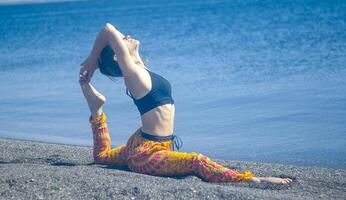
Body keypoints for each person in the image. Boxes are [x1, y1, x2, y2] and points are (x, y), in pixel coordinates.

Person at [79, 23, 293, 185]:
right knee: (196, 162)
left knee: (102, 157)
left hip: (145, 142)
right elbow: (108, 29)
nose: (125, 36)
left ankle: (96, 109)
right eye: (122, 41)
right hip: (145, 154)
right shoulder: (133, 75)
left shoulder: (140, 69)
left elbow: (128, 51)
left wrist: (123, 55)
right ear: (119, 58)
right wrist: (92, 59)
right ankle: (252, 180)